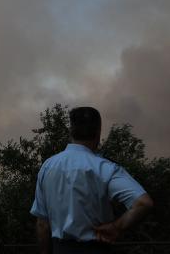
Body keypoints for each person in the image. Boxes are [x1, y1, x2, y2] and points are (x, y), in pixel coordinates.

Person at [31, 107, 154, 254]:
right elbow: (143, 203)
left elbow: (42, 224)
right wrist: (117, 227)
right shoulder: (105, 168)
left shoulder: (48, 166)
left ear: (71, 131)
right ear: (98, 132)